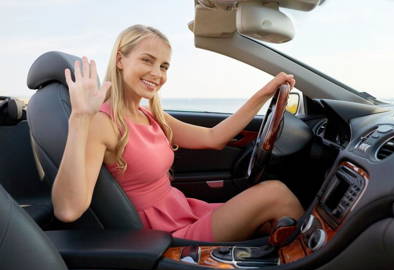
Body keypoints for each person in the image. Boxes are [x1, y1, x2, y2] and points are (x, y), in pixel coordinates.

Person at [52, 24, 304, 242]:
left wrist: (264, 93)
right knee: (276, 194)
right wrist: (80, 119)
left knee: (271, 224)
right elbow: (68, 210)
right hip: (164, 234)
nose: (157, 74)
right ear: (120, 60)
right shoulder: (102, 122)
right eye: (147, 60)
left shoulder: (149, 115)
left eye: (164, 66)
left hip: (185, 212)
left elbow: (213, 138)